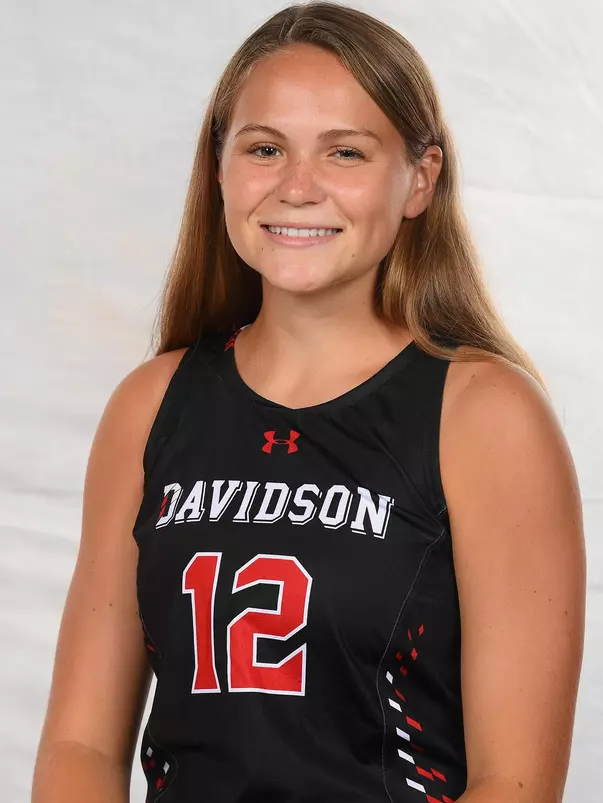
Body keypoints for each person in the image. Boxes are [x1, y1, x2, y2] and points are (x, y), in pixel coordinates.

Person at [32, 3, 586, 802]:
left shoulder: (482, 416)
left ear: (419, 179)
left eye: (345, 152)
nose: (297, 187)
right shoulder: (150, 405)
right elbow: (79, 743)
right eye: (264, 148)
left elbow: (516, 782)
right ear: (219, 168)